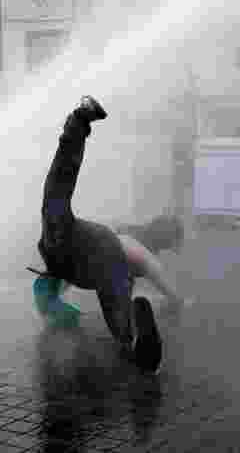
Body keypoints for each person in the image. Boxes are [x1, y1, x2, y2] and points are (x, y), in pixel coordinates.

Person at [35, 96, 187, 374]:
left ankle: (134, 339)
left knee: (56, 194)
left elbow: (146, 265)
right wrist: (177, 300)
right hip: (81, 259)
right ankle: (133, 341)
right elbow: (150, 270)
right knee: (118, 320)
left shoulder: (132, 248)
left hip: (92, 255)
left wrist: (176, 299)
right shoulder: (132, 247)